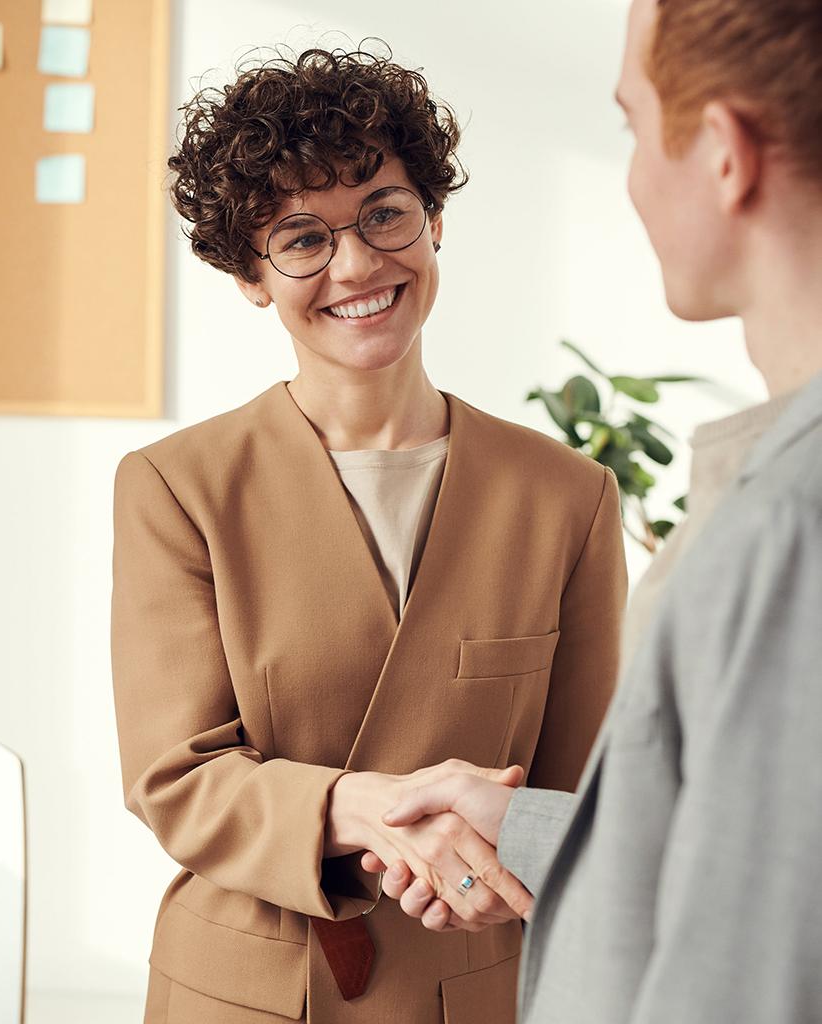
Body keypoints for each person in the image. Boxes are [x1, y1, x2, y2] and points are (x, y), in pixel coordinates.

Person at [111, 46, 626, 1022]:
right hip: (241, 988)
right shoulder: (175, 488)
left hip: (467, 977)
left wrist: (485, 869)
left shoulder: (568, 497)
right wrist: (390, 815)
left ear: (432, 221)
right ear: (249, 276)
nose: (353, 264)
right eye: (300, 237)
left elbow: (574, 805)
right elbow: (174, 779)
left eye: (382, 214)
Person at [364, 1, 822, 1019]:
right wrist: (528, 827)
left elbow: (752, 978)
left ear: (721, 152)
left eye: (629, 125)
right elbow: (749, 854)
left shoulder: (786, 526)